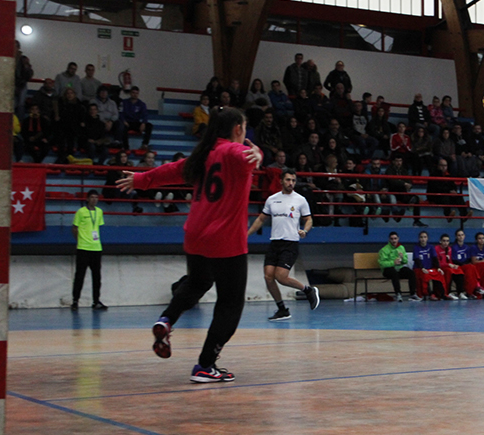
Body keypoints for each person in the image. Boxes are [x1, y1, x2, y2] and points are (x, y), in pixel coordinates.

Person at [116, 107, 263, 383]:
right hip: (225, 239)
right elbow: (243, 156)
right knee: (230, 304)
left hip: (195, 234)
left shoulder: (202, 154)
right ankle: (205, 365)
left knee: (197, 282)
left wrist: (139, 179)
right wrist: (258, 155)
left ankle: (167, 319)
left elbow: (170, 171)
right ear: (238, 130)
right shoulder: (234, 151)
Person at [246, 170, 318, 321]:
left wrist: (305, 230)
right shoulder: (272, 199)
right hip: (275, 242)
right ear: (281, 181)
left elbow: (309, 219)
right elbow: (261, 219)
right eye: (288, 180)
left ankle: (308, 290)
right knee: (268, 277)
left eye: (293, 180)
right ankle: (282, 310)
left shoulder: (300, 200)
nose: (291, 183)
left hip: (290, 243)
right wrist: (246, 234)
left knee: (281, 276)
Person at [71, 190, 107, 311]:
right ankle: (75, 301)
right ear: (87, 199)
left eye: (96, 197)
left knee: (97, 277)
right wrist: (80, 241)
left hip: (96, 247)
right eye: (92, 197)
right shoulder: (81, 212)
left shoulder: (100, 212)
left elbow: (97, 227)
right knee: (80, 275)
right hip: (83, 248)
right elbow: (75, 228)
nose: (94, 200)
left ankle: (96, 301)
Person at [378, 231, 418, 302]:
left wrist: (402, 258)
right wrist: (393, 263)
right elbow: (382, 263)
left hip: (399, 268)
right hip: (388, 270)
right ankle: (398, 294)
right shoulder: (384, 250)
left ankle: (413, 294)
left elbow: (405, 261)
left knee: (411, 273)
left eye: (395, 238)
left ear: (398, 239)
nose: (394, 240)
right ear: (389, 240)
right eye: (392, 239)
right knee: (394, 273)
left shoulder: (401, 247)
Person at [121, 86, 153, 150]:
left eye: (136, 93)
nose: (135, 94)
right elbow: (120, 113)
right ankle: (126, 146)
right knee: (122, 127)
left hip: (136, 122)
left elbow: (145, 114)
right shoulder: (124, 102)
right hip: (127, 122)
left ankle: (145, 144)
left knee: (149, 126)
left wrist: (143, 123)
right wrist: (123, 121)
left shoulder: (141, 104)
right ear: (130, 93)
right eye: (133, 93)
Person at [411, 231, 439, 301]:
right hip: (419, 268)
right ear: (419, 238)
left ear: (427, 238)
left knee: (438, 274)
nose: (423, 239)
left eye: (425, 237)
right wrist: (422, 268)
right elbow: (417, 259)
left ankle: (437, 293)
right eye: (421, 237)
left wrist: (438, 267)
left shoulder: (431, 247)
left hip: (429, 268)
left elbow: (435, 258)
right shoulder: (416, 247)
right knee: (422, 275)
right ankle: (425, 294)